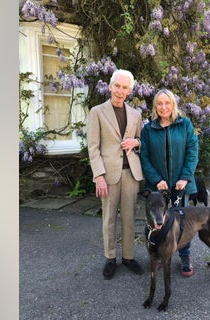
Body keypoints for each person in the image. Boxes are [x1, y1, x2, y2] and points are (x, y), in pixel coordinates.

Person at [86, 69, 145, 280]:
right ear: (110, 86)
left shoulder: (136, 114)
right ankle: (110, 258)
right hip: (108, 175)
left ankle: (128, 257)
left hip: (131, 174)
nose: (121, 91)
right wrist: (98, 176)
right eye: (117, 86)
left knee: (129, 219)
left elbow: (141, 141)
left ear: (130, 91)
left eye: (125, 87)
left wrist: (137, 142)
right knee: (109, 219)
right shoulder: (97, 112)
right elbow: (93, 147)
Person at [140, 88, 199, 277]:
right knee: (157, 223)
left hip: (180, 186)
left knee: (182, 224)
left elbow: (192, 151)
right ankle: (158, 256)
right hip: (158, 189)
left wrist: (185, 177)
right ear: (155, 106)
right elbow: (144, 157)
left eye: (167, 103)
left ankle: (185, 256)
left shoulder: (185, 125)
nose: (163, 107)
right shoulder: (148, 129)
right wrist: (156, 179)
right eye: (159, 103)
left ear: (173, 104)